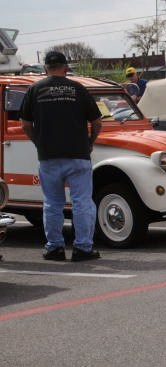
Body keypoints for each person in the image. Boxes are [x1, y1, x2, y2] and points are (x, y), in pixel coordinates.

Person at [20, 50, 102, 262]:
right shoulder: (78, 88)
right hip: (78, 154)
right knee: (82, 202)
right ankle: (83, 248)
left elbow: (25, 125)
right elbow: (97, 122)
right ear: (66, 67)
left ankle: (54, 248)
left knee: (52, 203)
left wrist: (38, 142)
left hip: (48, 156)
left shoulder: (34, 89)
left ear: (45, 68)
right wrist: (90, 142)